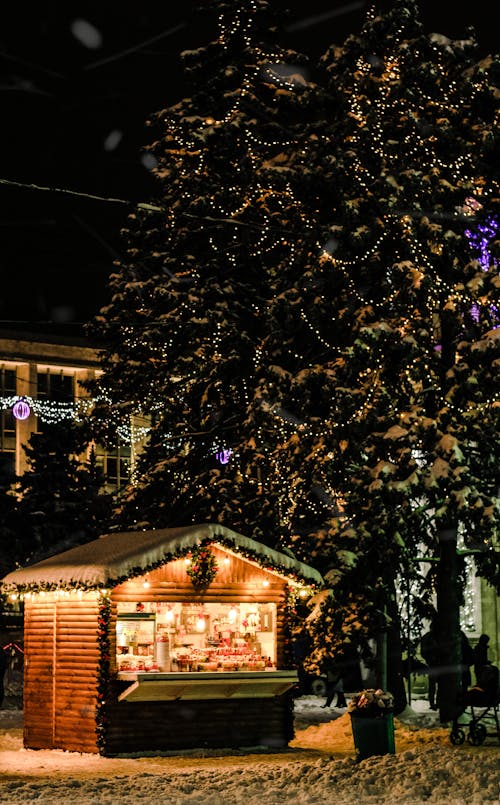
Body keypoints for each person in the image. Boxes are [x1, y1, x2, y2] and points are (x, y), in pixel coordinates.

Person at [420, 624, 439, 710]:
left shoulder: (428, 637)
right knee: (434, 684)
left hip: (434, 663)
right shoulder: (430, 637)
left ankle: (434, 702)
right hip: (434, 663)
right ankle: (434, 702)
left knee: (434, 684)